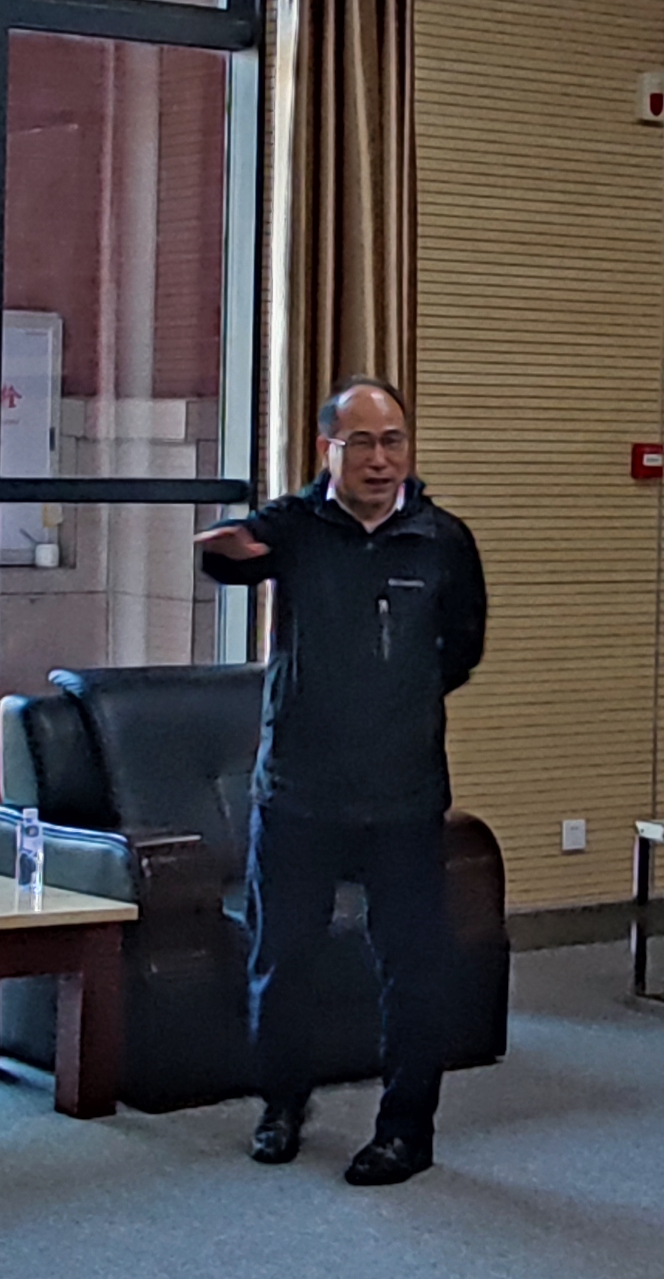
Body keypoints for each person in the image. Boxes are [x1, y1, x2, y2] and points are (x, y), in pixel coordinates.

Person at [195, 377, 488, 1187]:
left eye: (393, 441)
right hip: (298, 789)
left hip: (403, 792)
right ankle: (281, 1105)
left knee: (411, 967)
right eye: (361, 443)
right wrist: (226, 543)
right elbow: (226, 561)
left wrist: (397, 700)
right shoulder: (296, 527)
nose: (380, 460)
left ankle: (405, 1132)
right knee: (283, 958)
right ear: (328, 450)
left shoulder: (442, 540)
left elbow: (462, 648)